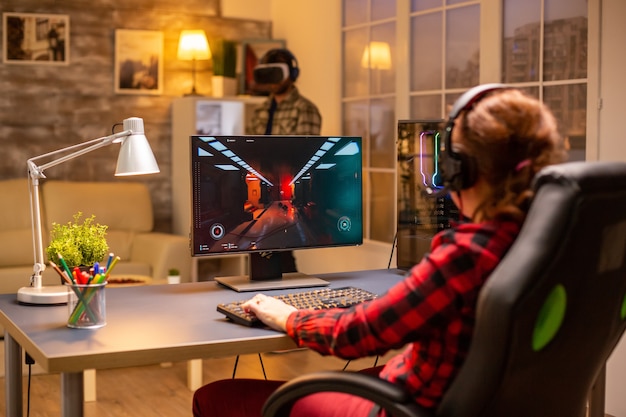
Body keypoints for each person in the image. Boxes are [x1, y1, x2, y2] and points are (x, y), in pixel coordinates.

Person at [192, 85, 567, 417]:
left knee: (216, 396)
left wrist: (287, 316)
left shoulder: (466, 256)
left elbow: (359, 334)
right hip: (480, 402)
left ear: (459, 170)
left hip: (410, 406)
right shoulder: (556, 242)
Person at [247, 48, 322, 272]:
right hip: (261, 186)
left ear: (293, 73)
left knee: (280, 243)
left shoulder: (305, 109)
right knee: (258, 244)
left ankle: (287, 294)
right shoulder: (259, 111)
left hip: (287, 188)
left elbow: (304, 154)